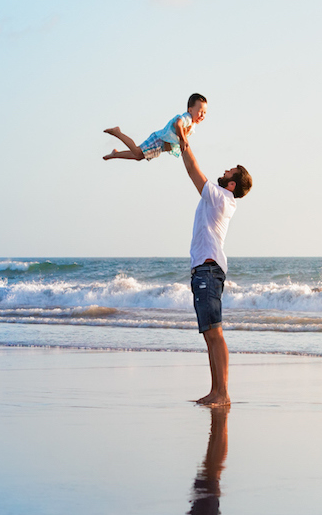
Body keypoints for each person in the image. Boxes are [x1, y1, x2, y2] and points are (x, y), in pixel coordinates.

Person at [182, 142, 252, 407]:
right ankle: (215, 391)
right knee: (209, 335)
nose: (225, 171)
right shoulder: (217, 198)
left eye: (230, 171)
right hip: (203, 269)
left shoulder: (221, 197)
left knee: (215, 334)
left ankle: (222, 393)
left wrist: (183, 141)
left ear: (232, 184)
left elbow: (193, 171)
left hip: (209, 270)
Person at [103, 93, 206, 161]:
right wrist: (183, 140)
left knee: (138, 156)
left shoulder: (191, 124)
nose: (202, 115)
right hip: (159, 140)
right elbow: (178, 124)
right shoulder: (187, 118)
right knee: (137, 151)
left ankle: (115, 154)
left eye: (204, 113)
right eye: (200, 111)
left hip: (161, 146)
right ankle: (117, 132)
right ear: (190, 110)